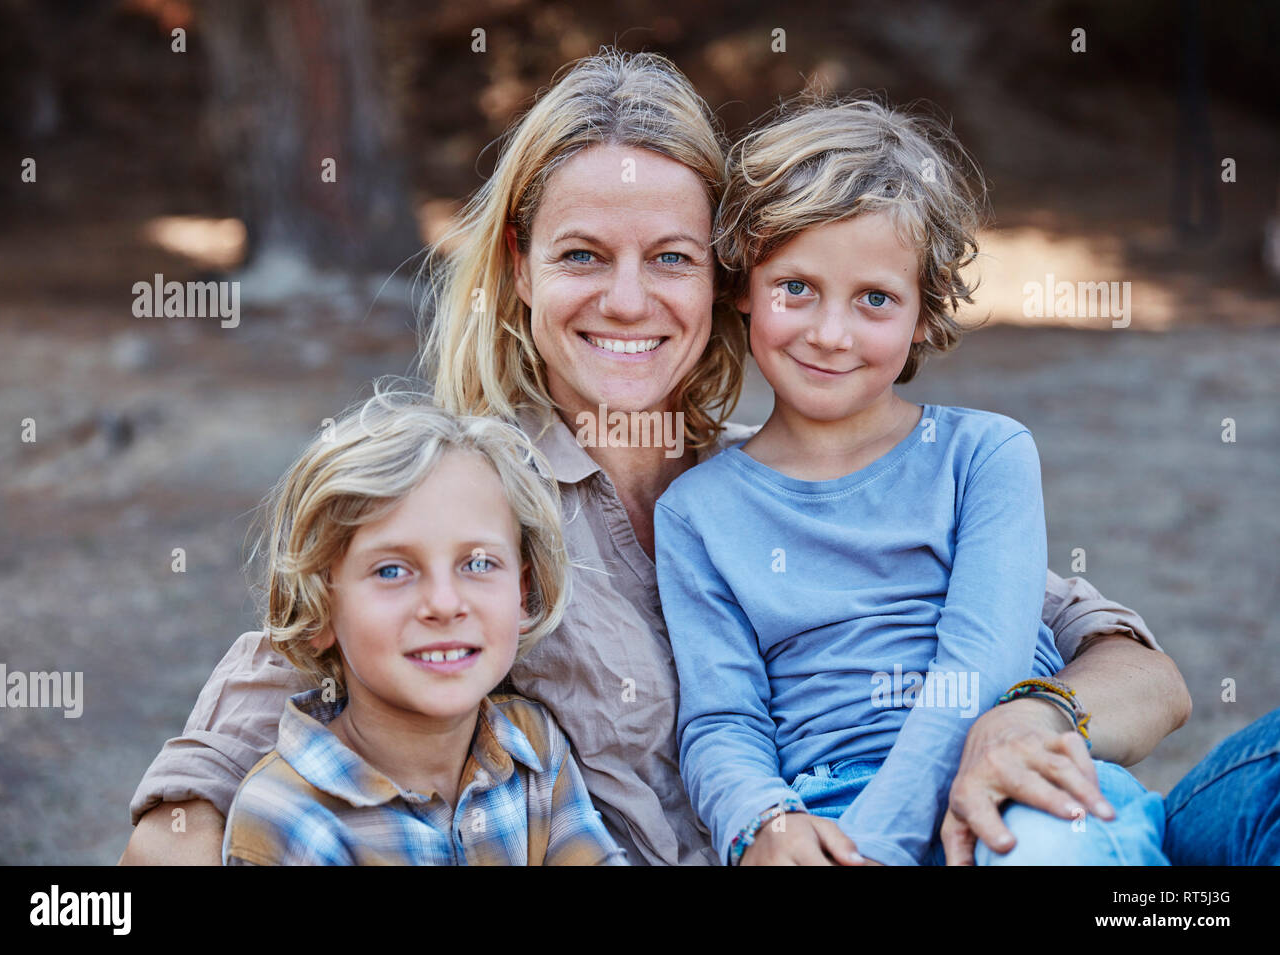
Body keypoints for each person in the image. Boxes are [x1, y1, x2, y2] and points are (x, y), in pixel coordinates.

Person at [121, 48, 1191, 867]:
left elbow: (1142, 673)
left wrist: (1030, 715)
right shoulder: (455, 503)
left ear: (723, 278)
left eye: (670, 259)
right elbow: (193, 791)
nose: (628, 302)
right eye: (583, 256)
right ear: (519, 268)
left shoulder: (797, 472)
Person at [656, 99, 1168, 866]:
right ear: (742, 286)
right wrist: (763, 821)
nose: (831, 333)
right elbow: (721, 719)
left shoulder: (983, 454)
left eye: (875, 299)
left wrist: (878, 847)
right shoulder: (696, 511)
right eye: (796, 286)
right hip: (824, 806)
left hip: (1010, 780)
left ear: (924, 313)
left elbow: (982, 667)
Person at [221, 387, 625, 865]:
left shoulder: (534, 748)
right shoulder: (288, 818)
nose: (444, 604)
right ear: (320, 609)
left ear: (521, 593)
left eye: (477, 564)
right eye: (392, 571)